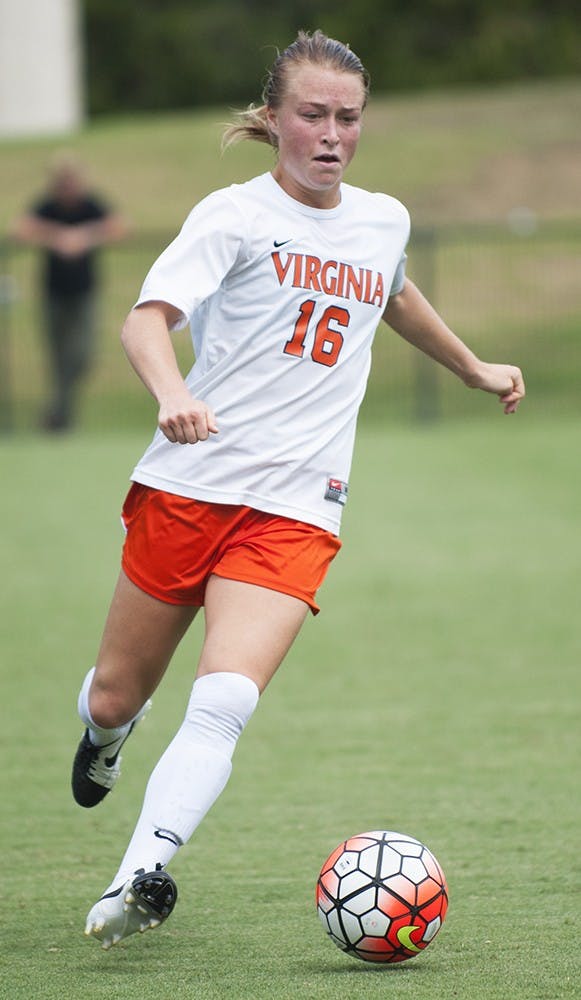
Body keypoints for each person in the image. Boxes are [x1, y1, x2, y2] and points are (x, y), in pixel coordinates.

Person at [71, 30, 525, 950]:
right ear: (272, 119)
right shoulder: (232, 216)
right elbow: (146, 319)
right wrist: (174, 393)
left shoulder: (382, 219)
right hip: (189, 487)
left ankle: (138, 874)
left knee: (225, 700)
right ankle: (105, 739)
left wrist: (472, 366)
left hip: (296, 506)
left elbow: (389, 293)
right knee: (118, 695)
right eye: (311, 115)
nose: (329, 135)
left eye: (347, 118)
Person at [11, 155, 128, 431]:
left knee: (82, 354)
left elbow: (121, 227)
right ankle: (60, 417)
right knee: (57, 355)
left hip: (85, 292)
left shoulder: (90, 205)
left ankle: (57, 412)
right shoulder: (48, 206)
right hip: (53, 293)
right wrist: (57, 237)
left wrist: (84, 237)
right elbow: (21, 229)